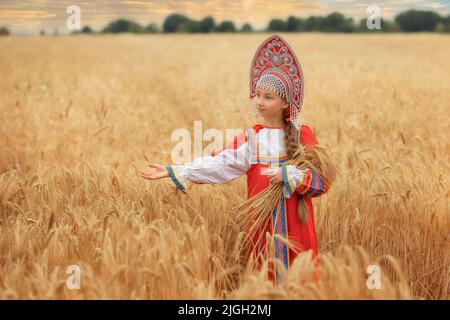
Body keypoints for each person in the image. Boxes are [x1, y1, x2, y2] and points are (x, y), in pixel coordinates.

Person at [139, 35, 335, 286]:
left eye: (268, 97)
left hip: (298, 229)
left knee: (300, 283)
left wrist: (291, 176)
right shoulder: (252, 138)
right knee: (264, 282)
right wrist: (178, 170)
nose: (260, 102)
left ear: (285, 102)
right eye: (258, 95)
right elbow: (221, 165)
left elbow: (323, 182)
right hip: (261, 228)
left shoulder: (301, 135)